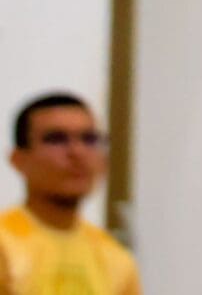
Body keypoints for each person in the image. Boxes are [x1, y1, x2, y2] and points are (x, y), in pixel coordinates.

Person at [1, 94, 139, 295]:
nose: (77, 152)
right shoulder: (5, 245)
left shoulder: (116, 259)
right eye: (56, 139)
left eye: (89, 139)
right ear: (18, 159)